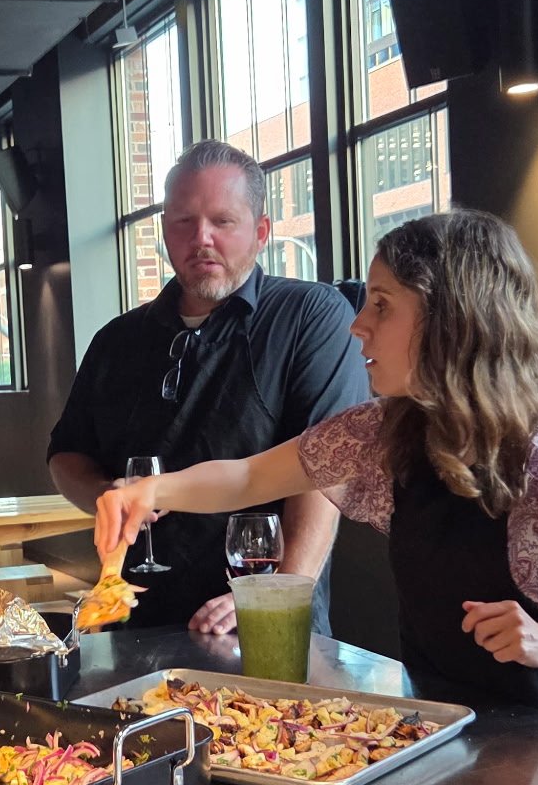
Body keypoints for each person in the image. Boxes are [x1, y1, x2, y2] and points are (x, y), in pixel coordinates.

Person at [98, 210, 538, 722]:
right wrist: (152, 490)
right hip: (450, 722)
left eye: (382, 306)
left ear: (452, 316)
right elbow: (251, 477)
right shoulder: (387, 429)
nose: (357, 327)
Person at [49, 140, 367, 634]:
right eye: (184, 222)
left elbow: (323, 470)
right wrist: (107, 496)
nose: (202, 238)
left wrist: (278, 596)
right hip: (134, 615)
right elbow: (66, 454)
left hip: (258, 615)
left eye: (222, 221)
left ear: (260, 232)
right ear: (165, 232)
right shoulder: (116, 340)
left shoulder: (311, 315)